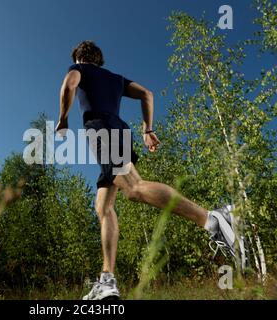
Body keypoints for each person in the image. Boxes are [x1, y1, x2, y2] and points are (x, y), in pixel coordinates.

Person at [55, 40, 243, 300]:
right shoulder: (116, 78)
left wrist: (63, 119)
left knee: (133, 188)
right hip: (115, 131)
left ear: (80, 58)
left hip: (104, 131)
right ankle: (107, 281)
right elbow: (147, 94)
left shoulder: (80, 70)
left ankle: (212, 219)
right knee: (103, 206)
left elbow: (69, 85)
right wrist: (148, 129)